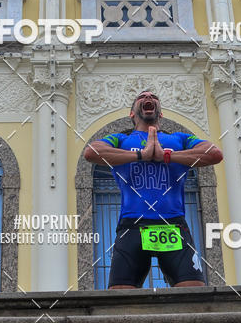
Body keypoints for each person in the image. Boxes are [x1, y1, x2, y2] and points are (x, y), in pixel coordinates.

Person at [84, 90, 223, 289]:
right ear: (132, 113)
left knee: (194, 294)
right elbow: (92, 152)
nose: (148, 98)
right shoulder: (120, 140)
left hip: (173, 225)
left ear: (161, 113)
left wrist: (166, 156)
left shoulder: (180, 139)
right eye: (142, 97)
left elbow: (214, 153)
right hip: (132, 226)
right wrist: (142, 155)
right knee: (120, 299)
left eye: (154, 98)